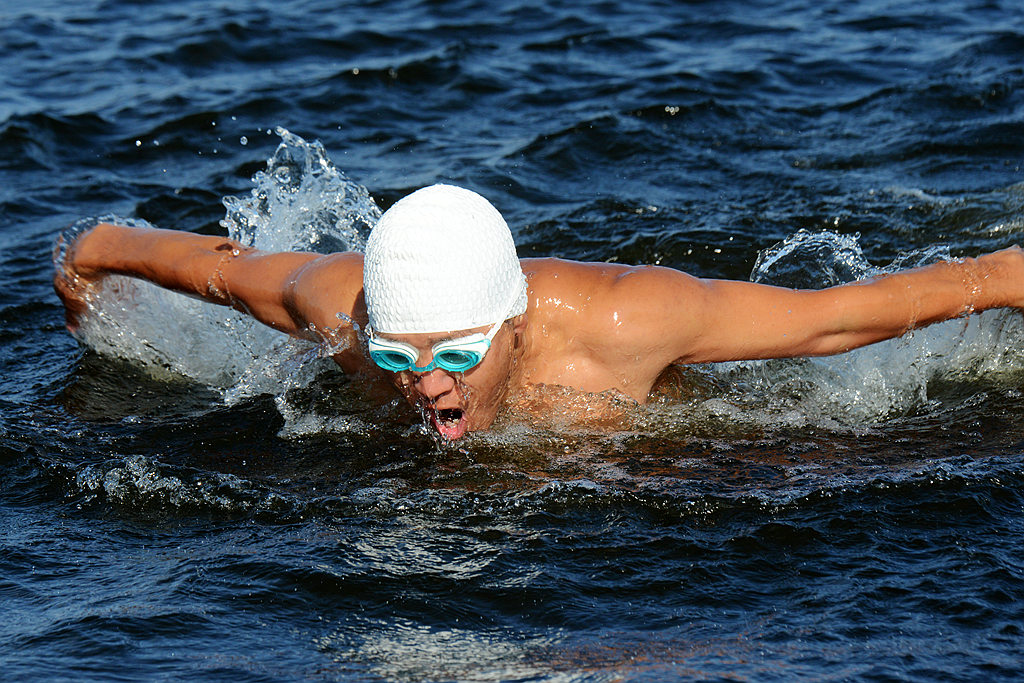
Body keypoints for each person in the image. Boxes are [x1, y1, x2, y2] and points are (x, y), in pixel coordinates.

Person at [54, 184, 1024, 440]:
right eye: (398, 353)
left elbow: (845, 316)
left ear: (513, 321)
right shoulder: (332, 305)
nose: (427, 380)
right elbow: (189, 263)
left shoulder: (632, 319)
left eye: (458, 351)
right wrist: (86, 268)